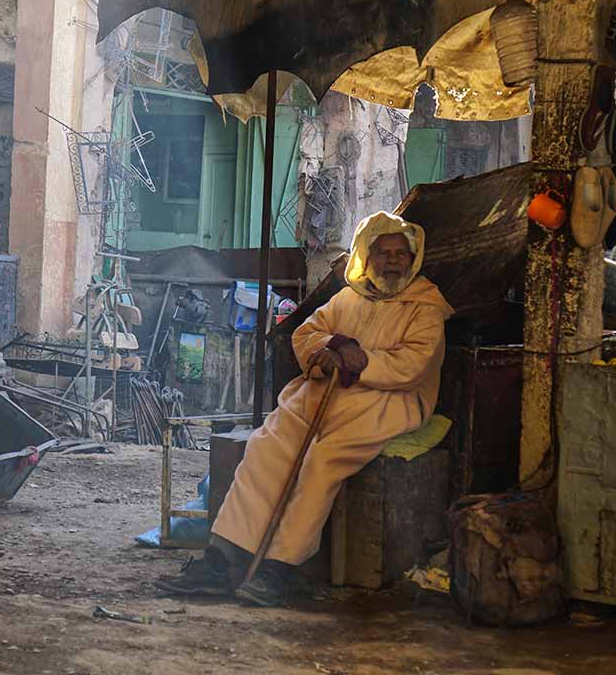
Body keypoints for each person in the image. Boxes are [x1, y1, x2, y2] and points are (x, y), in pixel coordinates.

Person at [157, 211, 454, 607]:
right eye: (385, 253)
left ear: (413, 258)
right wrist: (330, 347)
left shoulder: (426, 306)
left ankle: (280, 569)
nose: (394, 261)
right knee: (265, 448)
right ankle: (222, 559)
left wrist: (356, 359)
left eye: (402, 254)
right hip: (320, 394)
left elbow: (413, 365)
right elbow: (305, 335)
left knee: (322, 459)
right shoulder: (349, 297)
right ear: (369, 256)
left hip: (387, 400)